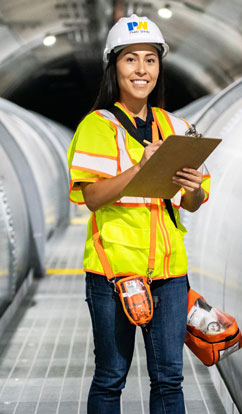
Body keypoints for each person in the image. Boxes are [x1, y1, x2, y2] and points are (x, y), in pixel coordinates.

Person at [66, 14, 210, 414]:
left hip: (168, 275)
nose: (141, 69)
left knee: (169, 380)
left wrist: (194, 189)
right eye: (131, 60)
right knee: (111, 377)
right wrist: (138, 169)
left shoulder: (177, 127)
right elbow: (92, 196)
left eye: (150, 59)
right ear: (114, 66)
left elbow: (192, 203)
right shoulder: (98, 127)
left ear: (159, 66)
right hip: (114, 273)